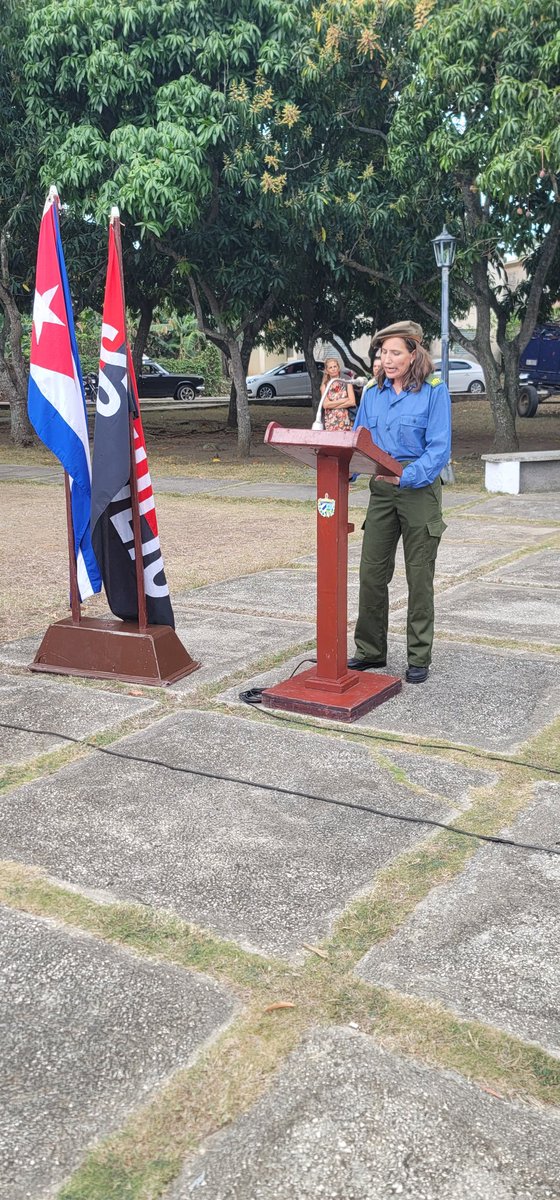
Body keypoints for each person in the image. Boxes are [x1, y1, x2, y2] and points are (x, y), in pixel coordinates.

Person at [347, 320, 451, 684]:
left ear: (413, 354)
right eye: (382, 353)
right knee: (372, 573)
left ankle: (418, 656)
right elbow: (359, 440)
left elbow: (439, 448)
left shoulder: (434, 391)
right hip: (381, 490)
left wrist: (404, 476)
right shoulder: (373, 394)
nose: (386, 360)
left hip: (418, 488)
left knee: (419, 575)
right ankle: (370, 651)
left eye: (395, 353)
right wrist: (345, 471)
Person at [320, 356, 355, 431]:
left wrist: (332, 405)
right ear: (327, 370)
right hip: (331, 421)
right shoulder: (325, 385)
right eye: (330, 367)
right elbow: (325, 405)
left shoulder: (347, 380)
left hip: (346, 419)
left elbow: (352, 402)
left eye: (335, 366)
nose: (333, 369)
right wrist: (344, 400)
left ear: (338, 368)